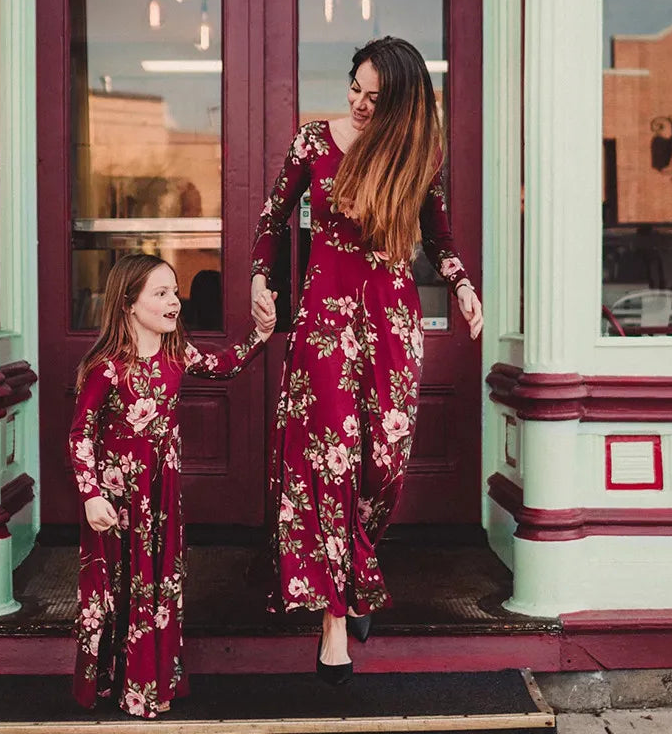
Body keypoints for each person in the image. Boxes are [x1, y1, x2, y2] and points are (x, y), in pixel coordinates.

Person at [250, 36, 483, 684]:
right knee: (330, 463)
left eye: (374, 98)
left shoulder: (418, 155)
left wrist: (462, 284)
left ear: (400, 105)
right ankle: (333, 621)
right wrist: (259, 282)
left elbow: (439, 239)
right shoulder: (312, 142)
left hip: (392, 324)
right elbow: (271, 220)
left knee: (384, 465)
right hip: (324, 324)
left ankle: (355, 568)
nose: (357, 103)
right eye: (354, 87)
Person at [70, 253, 274, 718]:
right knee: (116, 589)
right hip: (117, 499)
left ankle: (150, 685)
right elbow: (80, 434)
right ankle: (114, 685)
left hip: (160, 496)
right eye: (160, 293)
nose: (174, 302)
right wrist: (91, 495)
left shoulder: (176, 354)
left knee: (158, 585)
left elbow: (224, 365)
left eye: (175, 292)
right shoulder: (107, 367)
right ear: (128, 303)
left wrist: (261, 333)